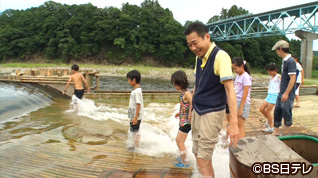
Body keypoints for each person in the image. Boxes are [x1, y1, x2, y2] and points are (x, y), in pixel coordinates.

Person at [184, 22, 239, 178]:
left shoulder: (220, 56)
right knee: (196, 152)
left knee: (203, 158)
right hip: (197, 110)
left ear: (207, 37)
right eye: (189, 45)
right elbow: (197, 85)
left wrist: (233, 123)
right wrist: (191, 109)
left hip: (212, 112)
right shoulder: (199, 57)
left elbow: (230, 90)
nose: (193, 48)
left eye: (195, 43)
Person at [271, 40, 296, 136]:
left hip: (287, 92)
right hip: (282, 91)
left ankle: (287, 132)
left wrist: (286, 93)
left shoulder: (290, 61)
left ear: (280, 49)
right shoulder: (284, 61)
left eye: (277, 50)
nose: (277, 52)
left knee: (286, 110)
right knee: (277, 109)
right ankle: (276, 131)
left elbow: (292, 78)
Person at [171, 70, 193, 168]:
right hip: (183, 121)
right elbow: (186, 106)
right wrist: (179, 113)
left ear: (181, 82)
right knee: (178, 141)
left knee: (180, 142)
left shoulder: (187, 93)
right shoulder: (183, 92)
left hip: (186, 122)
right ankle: (185, 157)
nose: (174, 86)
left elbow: (193, 102)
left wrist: (190, 114)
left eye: (175, 84)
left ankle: (185, 162)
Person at [232, 57, 252, 138]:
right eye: (233, 69)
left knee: (240, 126)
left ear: (241, 66)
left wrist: (241, 108)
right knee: (235, 125)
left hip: (242, 103)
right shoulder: (238, 76)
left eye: (236, 68)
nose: (235, 71)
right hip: (237, 101)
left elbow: (245, 93)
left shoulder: (246, 77)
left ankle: (241, 144)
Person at [259, 63, 281, 133]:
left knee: (268, 110)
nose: (269, 73)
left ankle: (271, 126)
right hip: (269, 94)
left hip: (275, 95)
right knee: (262, 109)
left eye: (270, 71)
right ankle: (270, 120)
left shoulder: (279, 76)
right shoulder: (271, 77)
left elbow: (282, 85)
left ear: (274, 70)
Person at [126, 70, 144, 149]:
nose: (128, 81)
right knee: (134, 131)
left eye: (129, 79)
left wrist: (136, 117)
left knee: (135, 131)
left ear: (134, 80)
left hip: (135, 116)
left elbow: (138, 104)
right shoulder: (138, 90)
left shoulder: (136, 91)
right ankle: (134, 145)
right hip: (135, 115)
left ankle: (136, 146)